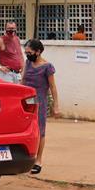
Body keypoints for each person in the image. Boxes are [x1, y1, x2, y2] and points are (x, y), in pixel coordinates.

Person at [22, 39, 57, 175]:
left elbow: (53, 87)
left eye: (29, 52)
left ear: (38, 52)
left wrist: (55, 105)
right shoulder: (27, 63)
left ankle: (38, 160)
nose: (27, 55)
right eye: (26, 53)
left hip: (40, 102)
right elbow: (23, 80)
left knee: (40, 131)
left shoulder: (47, 67)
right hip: (26, 102)